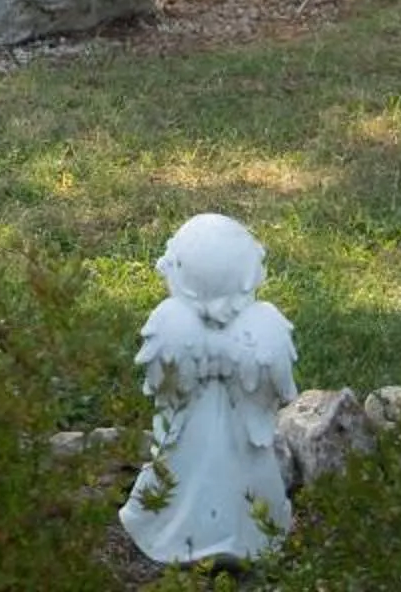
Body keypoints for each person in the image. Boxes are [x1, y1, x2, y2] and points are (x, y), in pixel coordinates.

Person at [120, 212, 298, 565]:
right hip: (243, 443)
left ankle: (180, 536)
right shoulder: (261, 327)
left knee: (178, 474)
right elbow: (273, 395)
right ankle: (248, 536)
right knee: (246, 481)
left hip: (189, 436)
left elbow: (163, 388)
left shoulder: (173, 325)